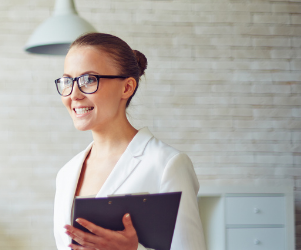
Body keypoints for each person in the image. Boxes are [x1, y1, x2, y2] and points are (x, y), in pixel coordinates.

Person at [52, 33, 206, 250]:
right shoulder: (66, 174)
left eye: (88, 80)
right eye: (68, 81)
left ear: (127, 87)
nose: (74, 94)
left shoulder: (166, 165)